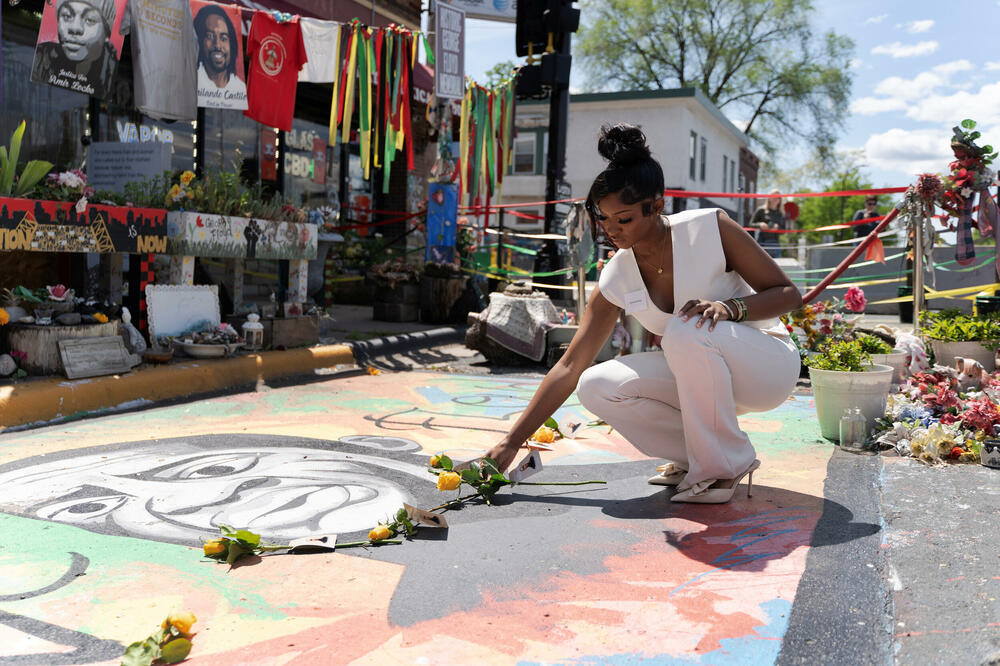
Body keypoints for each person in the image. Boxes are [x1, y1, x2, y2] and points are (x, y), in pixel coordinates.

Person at [485, 124, 803, 504]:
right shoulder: (617, 275)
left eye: (624, 219)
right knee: (597, 384)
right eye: (603, 219)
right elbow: (570, 365)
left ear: (655, 206)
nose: (611, 230)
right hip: (703, 380)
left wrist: (729, 308)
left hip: (767, 368)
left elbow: (788, 294)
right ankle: (701, 458)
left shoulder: (709, 228)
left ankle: (722, 467)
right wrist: (509, 443)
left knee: (685, 330)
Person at [31, 0, 121, 98]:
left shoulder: (115, 77)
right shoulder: (41, 61)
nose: (75, 28)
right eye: (67, 16)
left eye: (90, 20)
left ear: (106, 33)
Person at [193, 4, 247, 102]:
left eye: (223, 38)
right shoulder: (189, 82)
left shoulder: (239, 86)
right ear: (200, 40)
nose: (217, 45)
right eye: (210, 36)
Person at [750, 191, 787, 258]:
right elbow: (750, 224)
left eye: (778, 197)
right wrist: (760, 225)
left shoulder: (781, 213)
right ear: (769, 197)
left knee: (775, 267)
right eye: (774, 196)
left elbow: (784, 231)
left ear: (780, 200)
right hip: (761, 244)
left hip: (775, 245)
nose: (776, 199)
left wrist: (777, 228)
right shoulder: (761, 210)